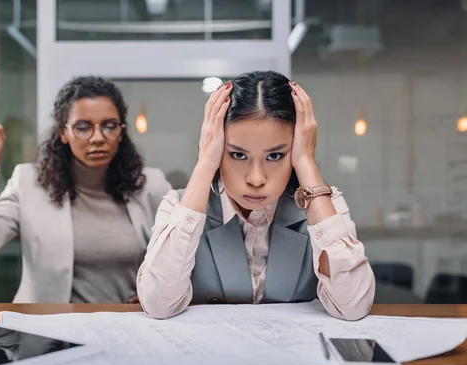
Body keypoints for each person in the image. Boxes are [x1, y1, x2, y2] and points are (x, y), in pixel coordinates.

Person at [137, 70, 375, 320]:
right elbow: (158, 305)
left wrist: (306, 162)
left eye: (275, 156)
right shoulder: (178, 205)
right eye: (238, 155)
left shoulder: (326, 205)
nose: (256, 179)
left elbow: (353, 307)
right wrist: (205, 163)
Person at [0, 76, 171, 303]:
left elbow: (183, 260)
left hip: (126, 328)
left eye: (109, 126)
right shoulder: (28, 184)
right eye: (82, 128)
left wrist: (159, 293)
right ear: (63, 133)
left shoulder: (151, 185)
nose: (97, 138)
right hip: (46, 330)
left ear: (121, 132)